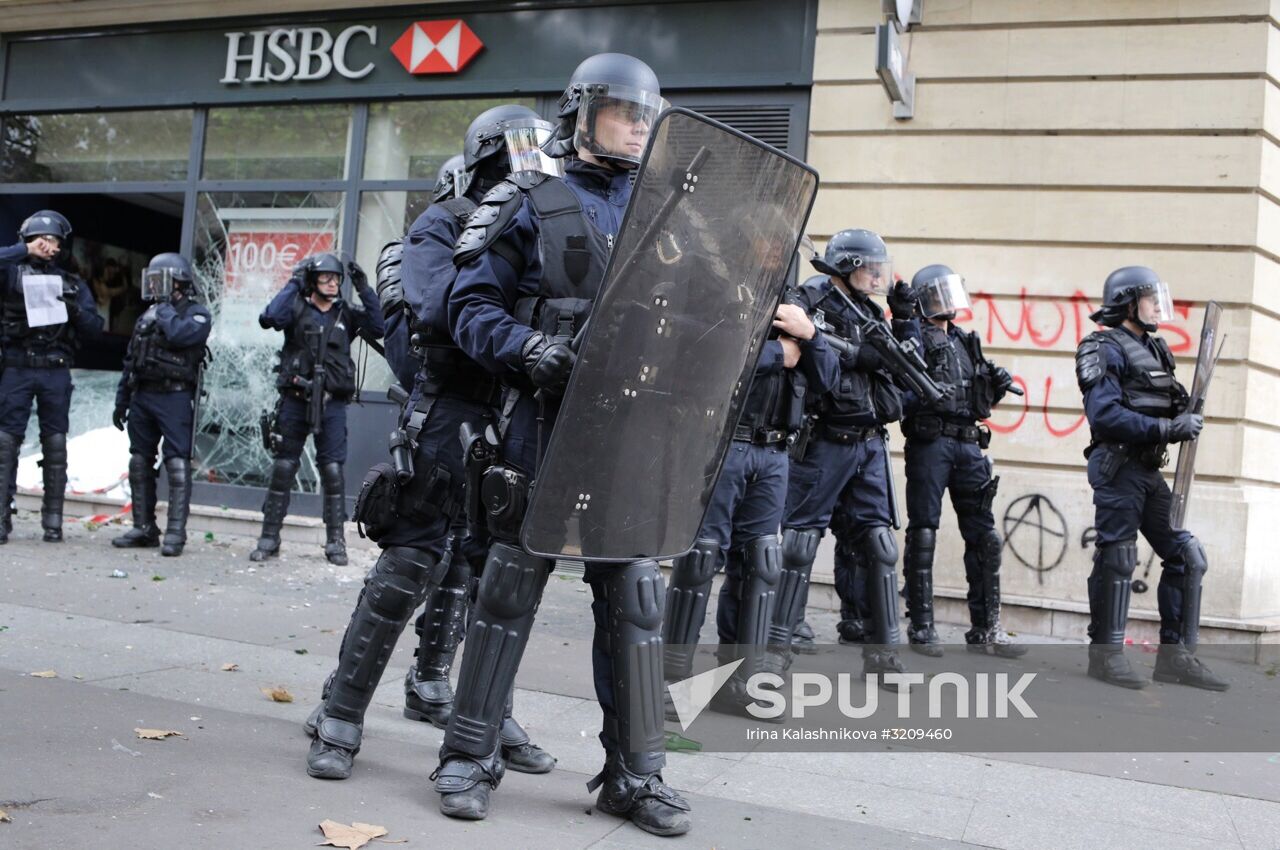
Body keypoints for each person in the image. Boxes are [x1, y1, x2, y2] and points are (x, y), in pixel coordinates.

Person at [431, 53, 691, 837]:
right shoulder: (525, 198)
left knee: (636, 596)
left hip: (629, 434)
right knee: (508, 585)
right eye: (623, 112)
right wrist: (526, 347)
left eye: (647, 114)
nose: (639, 126)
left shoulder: (667, 213)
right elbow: (466, 306)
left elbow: (700, 319)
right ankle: (468, 756)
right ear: (581, 114)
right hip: (541, 423)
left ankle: (636, 777)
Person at [304, 107, 555, 782]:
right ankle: (340, 713)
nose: (530, 168)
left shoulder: (544, 228)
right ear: (486, 160)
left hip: (516, 417)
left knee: (496, 581)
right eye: (516, 155)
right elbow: (442, 312)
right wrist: (524, 327)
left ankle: (488, 718)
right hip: (450, 411)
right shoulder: (444, 222)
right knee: (410, 564)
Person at [662, 250, 838, 716]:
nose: (776, 253)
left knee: (761, 563)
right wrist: (779, 353)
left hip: (775, 453)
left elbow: (828, 382)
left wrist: (811, 336)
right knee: (700, 558)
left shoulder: (797, 307)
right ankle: (669, 682)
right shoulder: (717, 288)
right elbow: (703, 353)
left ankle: (739, 683)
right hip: (724, 444)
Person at [1075, 266, 1226, 690]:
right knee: (1119, 557)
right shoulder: (1101, 347)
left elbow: (1163, 402)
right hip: (1117, 466)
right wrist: (1168, 428)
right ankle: (1106, 655)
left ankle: (1175, 658)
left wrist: (1185, 410)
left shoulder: (1157, 349)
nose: (1159, 308)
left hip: (1146, 470)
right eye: (1151, 300)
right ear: (1128, 304)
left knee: (1187, 555)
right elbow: (1105, 414)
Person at [782, 230, 908, 683]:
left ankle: (883, 656)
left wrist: (905, 322)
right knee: (799, 543)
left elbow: (901, 372)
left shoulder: (870, 311)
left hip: (869, 442)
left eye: (879, 269)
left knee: (879, 545)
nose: (877, 277)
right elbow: (808, 360)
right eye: (869, 269)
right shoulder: (810, 300)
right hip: (824, 440)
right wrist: (856, 355)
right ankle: (776, 650)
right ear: (846, 267)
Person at [890, 264, 1024, 657]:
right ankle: (922, 625)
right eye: (938, 294)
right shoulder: (914, 335)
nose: (947, 302)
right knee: (924, 533)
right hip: (931, 443)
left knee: (985, 537)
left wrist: (995, 386)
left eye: (949, 293)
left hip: (969, 444)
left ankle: (986, 628)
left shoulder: (965, 341)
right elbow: (900, 391)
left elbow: (979, 403)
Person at [250, 252, 383, 565]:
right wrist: (294, 283)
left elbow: (379, 326)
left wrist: (364, 288)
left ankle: (335, 542)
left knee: (333, 471)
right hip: (295, 401)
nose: (333, 283)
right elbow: (269, 318)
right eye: (326, 278)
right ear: (312, 281)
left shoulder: (345, 313)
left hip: (331, 404)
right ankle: (269, 538)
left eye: (337, 278)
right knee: (284, 468)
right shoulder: (296, 307)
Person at [0, 210, 103, 544]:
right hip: (17, 367)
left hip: (55, 370)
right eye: (41, 240)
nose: (48, 246)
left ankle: (53, 522)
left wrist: (74, 310)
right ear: (28, 240)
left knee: (55, 444)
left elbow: (95, 329)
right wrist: (23, 251)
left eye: (53, 241)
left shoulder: (71, 282)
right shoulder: (10, 272)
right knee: (5, 444)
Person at [110, 253, 211, 556]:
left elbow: (180, 334)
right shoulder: (147, 315)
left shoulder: (196, 314)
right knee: (139, 461)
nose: (154, 287)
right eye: (152, 281)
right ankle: (144, 527)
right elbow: (131, 359)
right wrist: (121, 400)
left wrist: (164, 308)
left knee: (177, 463)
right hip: (143, 395)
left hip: (175, 396)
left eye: (160, 280)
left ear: (178, 282)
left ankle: (175, 533)